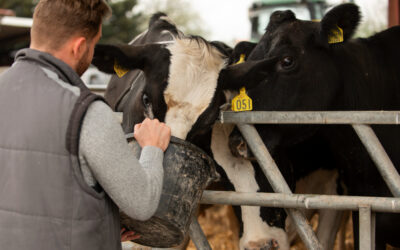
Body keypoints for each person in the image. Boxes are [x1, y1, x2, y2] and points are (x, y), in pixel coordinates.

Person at [0, 1, 171, 249]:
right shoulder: (86, 112)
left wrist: (103, 227)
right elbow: (141, 203)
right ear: (80, 46)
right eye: (93, 44)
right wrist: (153, 148)